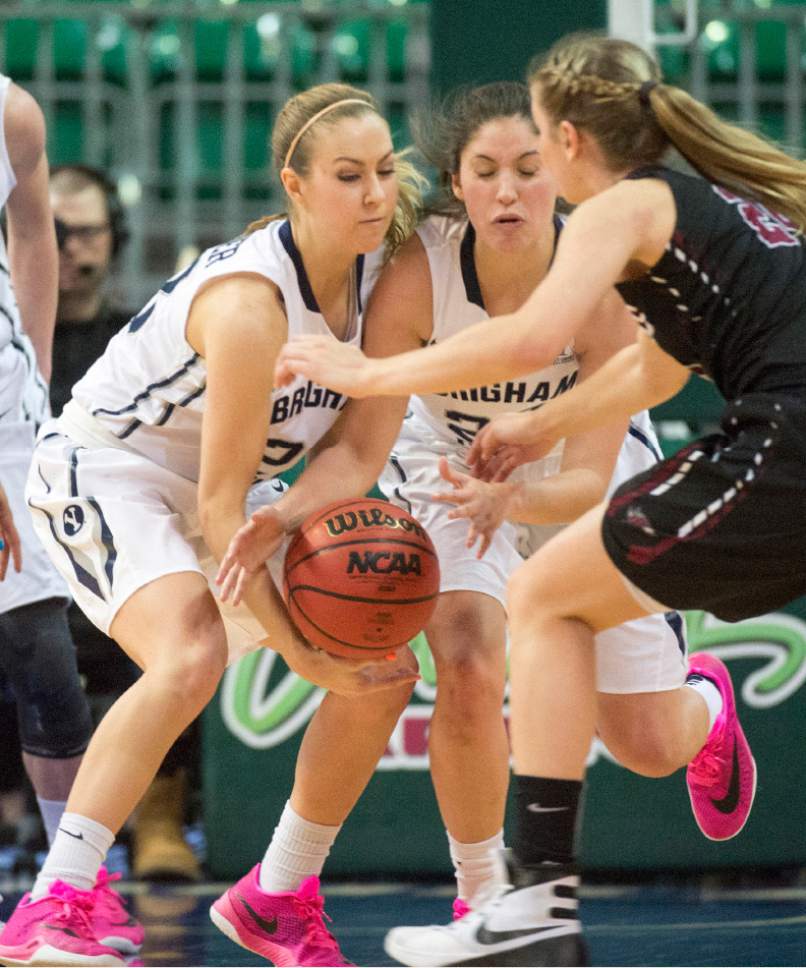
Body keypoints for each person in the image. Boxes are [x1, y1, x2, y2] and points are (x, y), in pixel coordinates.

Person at [270, 31, 804, 962]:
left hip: (781, 435)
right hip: (727, 435)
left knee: (546, 594)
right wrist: (526, 428)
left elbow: (529, 346)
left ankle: (531, 902)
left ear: (563, 143)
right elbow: (658, 368)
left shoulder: (616, 213)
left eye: (530, 157)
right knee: (637, 736)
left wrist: (365, 372)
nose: (513, 186)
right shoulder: (692, 210)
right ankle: (534, 884)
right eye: (485, 169)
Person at [0, 82, 421, 968]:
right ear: (295, 185)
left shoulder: (388, 291)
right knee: (190, 654)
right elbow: (224, 510)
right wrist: (302, 653)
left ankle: (279, 894)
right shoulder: (250, 306)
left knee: (383, 670)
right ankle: (55, 901)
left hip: (211, 488)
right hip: (106, 469)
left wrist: (298, 542)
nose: (376, 194)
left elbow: (351, 458)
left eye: (385, 170)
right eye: (349, 176)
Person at [0, 76, 141, 956]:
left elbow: (31, 231)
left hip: (9, 418)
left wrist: (36, 375)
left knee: (40, 653)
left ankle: (75, 890)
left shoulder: (12, 111)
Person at [49, 165, 203, 883]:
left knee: (185, 630)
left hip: (115, 553)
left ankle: (160, 818)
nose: (68, 249)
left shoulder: (138, 341)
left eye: (84, 232)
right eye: (51, 233)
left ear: (116, 240)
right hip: (21, 557)